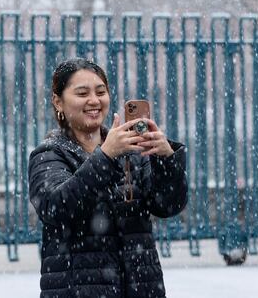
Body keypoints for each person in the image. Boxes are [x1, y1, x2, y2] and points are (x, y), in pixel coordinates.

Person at [28, 58, 187, 298]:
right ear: (58, 102)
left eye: (100, 92)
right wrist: (106, 156)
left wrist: (165, 158)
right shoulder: (49, 154)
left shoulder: (131, 150)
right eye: (82, 93)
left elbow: (167, 205)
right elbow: (56, 208)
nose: (94, 100)